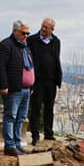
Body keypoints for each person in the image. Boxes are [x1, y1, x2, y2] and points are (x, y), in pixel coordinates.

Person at [0, 20, 34, 156]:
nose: (26, 36)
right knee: (10, 116)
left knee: (21, 117)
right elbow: (0, 66)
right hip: (13, 88)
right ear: (15, 31)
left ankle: (17, 144)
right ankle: (10, 145)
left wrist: (31, 85)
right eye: (23, 33)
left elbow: (29, 66)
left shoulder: (25, 47)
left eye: (28, 33)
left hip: (26, 89)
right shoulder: (6, 45)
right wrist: (3, 85)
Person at [27, 18, 62, 146]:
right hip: (37, 81)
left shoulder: (56, 41)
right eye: (42, 26)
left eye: (46, 27)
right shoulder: (32, 40)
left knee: (49, 108)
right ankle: (35, 135)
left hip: (51, 80)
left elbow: (56, 59)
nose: (43, 29)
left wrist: (58, 78)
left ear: (52, 29)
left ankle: (48, 134)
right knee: (36, 108)